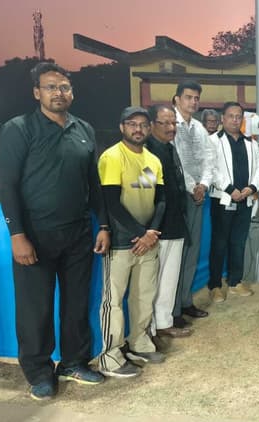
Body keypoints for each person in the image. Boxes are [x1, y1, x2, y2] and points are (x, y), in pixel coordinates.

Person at [0, 62, 109, 399]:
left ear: (71, 92)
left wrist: (103, 224)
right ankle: (39, 372)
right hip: (35, 234)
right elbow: (8, 186)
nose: (58, 93)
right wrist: (18, 235)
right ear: (37, 93)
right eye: (50, 87)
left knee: (76, 304)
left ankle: (74, 363)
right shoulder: (19, 129)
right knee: (36, 308)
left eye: (64, 87)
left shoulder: (83, 129)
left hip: (78, 233)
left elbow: (93, 183)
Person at [97, 106, 166, 377]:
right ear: (122, 127)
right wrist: (140, 233)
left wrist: (151, 232)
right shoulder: (112, 156)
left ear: (149, 129)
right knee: (113, 301)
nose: (138, 129)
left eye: (143, 125)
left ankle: (139, 344)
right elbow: (111, 203)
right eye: (132, 124)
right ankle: (110, 357)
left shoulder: (153, 160)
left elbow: (161, 200)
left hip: (148, 241)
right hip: (121, 242)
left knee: (143, 296)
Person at [207, 102, 259, 302]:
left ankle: (235, 281)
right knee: (219, 243)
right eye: (230, 116)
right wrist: (230, 189)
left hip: (245, 200)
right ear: (223, 118)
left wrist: (252, 188)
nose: (234, 120)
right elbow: (211, 169)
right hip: (223, 200)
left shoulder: (251, 143)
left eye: (238, 116)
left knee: (238, 242)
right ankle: (215, 285)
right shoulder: (213, 141)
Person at [145, 104, 193, 338]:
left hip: (175, 223)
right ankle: (150, 329)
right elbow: (145, 192)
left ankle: (164, 323)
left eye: (173, 123)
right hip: (156, 228)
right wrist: (150, 226)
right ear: (151, 125)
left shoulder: (170, 148)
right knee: (152, 281)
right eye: (164, 123)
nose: (170, 127)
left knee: (169, 279)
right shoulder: (146, 152)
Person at [172, 80, 215, 327]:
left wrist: (204, 185)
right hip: (179, 197)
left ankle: (186, 301)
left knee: (192, 251)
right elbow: (175, 160)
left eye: (196, 98)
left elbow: (210, 159)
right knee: (177, 254)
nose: (193, 102)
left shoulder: (198, 128)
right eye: (188, 97)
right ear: (177, 99)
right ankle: (172, 309)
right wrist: (193, 187)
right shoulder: (170, 125)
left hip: (199, 195)